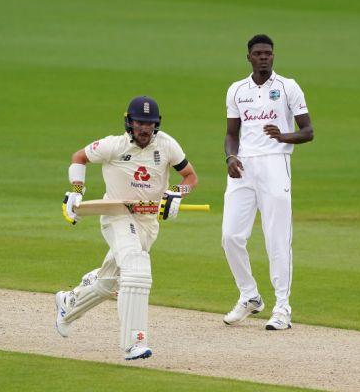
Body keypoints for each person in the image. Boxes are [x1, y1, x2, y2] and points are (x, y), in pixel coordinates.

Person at [55, 96, 198, 360]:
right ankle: (134, 342)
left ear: (156, 125)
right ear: (129, 123)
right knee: (136, 268)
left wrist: (176, 192)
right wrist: (76, 190)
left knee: (111, 280)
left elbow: (190, 176)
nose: (145, 128)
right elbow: (79, 157)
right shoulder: (113, 145)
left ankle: (69, 303)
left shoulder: (167, 145)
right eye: (140, 123)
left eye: (150, 123)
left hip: (147, 221)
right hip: (116, 213)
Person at [222, 34, 314, 330]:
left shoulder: (288, 87)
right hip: (243, 168)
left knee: (277, 238)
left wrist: (283, 136)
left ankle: (282, 307)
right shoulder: (237, 90)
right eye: (259, 53)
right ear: (248, 57)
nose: (264, 57)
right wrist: (230, 158)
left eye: (269, 53)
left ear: (273, 56)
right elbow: (231, 133)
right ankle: (250, 296)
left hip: (275, 165)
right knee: (230, 237)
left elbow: (308, 131)